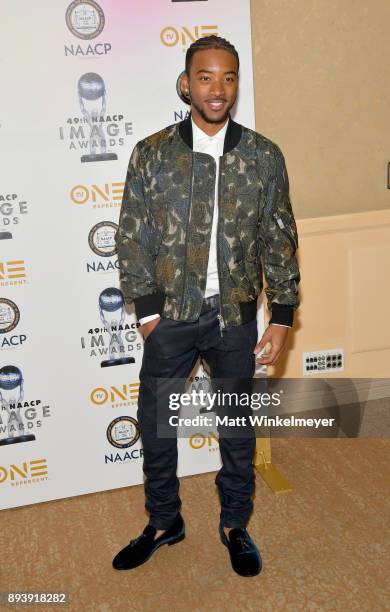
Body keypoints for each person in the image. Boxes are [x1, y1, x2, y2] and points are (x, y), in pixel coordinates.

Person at [112, 35, 300, 577]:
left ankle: (234, 523)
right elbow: (132, 236)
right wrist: (149, 313)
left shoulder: (263, 156)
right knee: (156, 423)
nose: (217, 89)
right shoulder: (153, 153)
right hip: (170, 314)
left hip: (235, 314)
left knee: (237, 427)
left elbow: (279, 236)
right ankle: (164, 520)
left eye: (228, 78)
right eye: (205, 77)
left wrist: (282, 316)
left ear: (236, 85)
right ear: (186, 83)